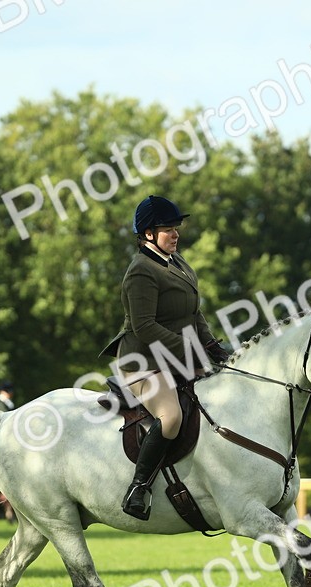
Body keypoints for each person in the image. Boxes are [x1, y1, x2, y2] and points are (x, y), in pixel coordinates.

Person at [100, 195, 229, 520]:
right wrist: (190, 351)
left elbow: (193, 313)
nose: (175, 234)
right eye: (167, 229)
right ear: (147, 234)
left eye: (176, 229)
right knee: (171, 417)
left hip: (178, 358)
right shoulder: (140, 272)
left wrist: (212, 347)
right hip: (144, 362)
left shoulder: (178, 264)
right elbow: (144, 326)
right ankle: (138, 488)